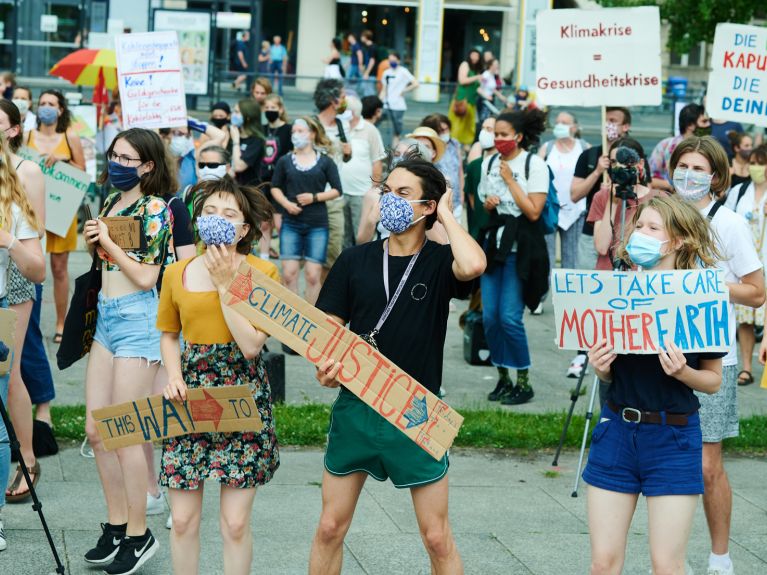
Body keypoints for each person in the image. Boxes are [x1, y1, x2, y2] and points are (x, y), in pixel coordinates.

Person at [308, 155, 485, 575]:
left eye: (404, 194)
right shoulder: (355, 260)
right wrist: (325, 367)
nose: (391, 200)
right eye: (387, 191)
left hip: (417, 409)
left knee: (437, 537)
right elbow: (325, 332)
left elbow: (474, 265)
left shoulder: (442, 261)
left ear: (428, 207)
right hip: (357, 406)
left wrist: (445, 213)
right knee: (331, 527)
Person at [584, 195, 724, 575]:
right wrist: (602, 370)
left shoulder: (701, 296)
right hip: (617, 430)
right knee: (602, 563)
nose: (640, 235)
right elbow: (611, 373)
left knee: (666, 565)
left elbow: (713, 381)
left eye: (652, 229)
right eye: (639, 227)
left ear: (678, 240)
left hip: (673, 437)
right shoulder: (616, 291)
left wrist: (683, 373)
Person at [159, 176, 280, 574]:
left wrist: (227, 281)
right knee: (183, 520)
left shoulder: (263, 272)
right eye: (209, 211)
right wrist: (173, 375)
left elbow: (250, 345)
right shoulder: (176, 273)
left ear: (244, 229)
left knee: (235, 522)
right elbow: (169, 335)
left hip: (242, 398)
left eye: (229, 214)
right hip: (188, 400)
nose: (217, 219)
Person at [82, 128, 175, 574]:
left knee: (124, 431)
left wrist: (111, 246)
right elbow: (107, 264)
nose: (116, 163)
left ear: (148, 166)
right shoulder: (110, 203)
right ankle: (118, 525)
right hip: (106, 318)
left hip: (139, 319)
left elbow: (145, 276)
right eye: (114, 154)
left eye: (127, 158)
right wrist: (94, 244)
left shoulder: (156, 209)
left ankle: (140, 534)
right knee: (97, 429)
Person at [671, 136, 765, 575]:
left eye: (698, 168)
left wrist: (707, 286)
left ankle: (720, 556)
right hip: (662, 353)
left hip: (713, 359)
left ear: (717, 178)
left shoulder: (728, 224)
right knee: (667, 463)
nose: (688, 175)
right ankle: (670, 555)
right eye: (682, 166)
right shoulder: (659, 216)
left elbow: (757, 291)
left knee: (708, 465)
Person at [0, 100, 53, 504]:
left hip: (16, 275)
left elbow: (36, 229)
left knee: (11, 370)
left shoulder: (26, 170)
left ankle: (27, 457)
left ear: (14, 130)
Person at [478, 109, 549, 406]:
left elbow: (533, 211)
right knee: (489, 318)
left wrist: (510, 182)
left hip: (522, 250)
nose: (498, 139)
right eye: (496, 134)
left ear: (519, 137)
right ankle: (503, 378)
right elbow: (485, 204)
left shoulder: (535, 164)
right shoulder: (489, 162)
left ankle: (524, 381)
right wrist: (490, 203)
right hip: (495, 247)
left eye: (504, 135)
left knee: (509, 318)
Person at [567, 106, 631, 377]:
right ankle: (583, 353)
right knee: (589, 291)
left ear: (626, 126)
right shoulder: (589, 154)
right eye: (607, 120)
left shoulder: (631, 154)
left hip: (623, 231)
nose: (609, 125)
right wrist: (597, 172)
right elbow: (574, 194)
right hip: (590, 232)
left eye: (615, 121)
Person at [23, 89, 85, 344]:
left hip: (61, 211)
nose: (46, 107)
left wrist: (62, 159)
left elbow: (82, 171)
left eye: (51, 103)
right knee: (26, 266)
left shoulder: (70, 137)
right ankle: (25, 321)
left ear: (60, 110)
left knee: (59, 269)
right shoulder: (27, 136)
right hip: (31, 211)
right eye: (42, 103)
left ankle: (62, 323)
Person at [270, 117, 342, 307]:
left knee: (312, 275)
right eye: (294, 131)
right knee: (288, 273)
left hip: (317, 223)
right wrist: (286, 204)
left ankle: (311, 322)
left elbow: (337, 189)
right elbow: (275, 187)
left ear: (312, 134)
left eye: (301, 131)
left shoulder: (325, 161)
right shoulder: (285, 160)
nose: (296, 135)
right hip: (291, 223)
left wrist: (315, 197)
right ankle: (291, 320)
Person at [723, 144, 767, 386]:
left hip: (766, 261)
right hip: (745, 264)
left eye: (761, 162)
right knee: (746, 319)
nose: (756, 167)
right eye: (753, 162)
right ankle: (747, 368)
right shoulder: (739, 191)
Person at [588, 137, 658, 271]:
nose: (619, 167)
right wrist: (613, 202)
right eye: (614, 162)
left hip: (643, 277)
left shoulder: (659, 198)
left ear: (640, 164)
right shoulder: (601, 197)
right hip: (609, 277)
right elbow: (602, 247)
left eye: (626, 162)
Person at [356, 138, 434, 245]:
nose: (401, 159)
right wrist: (371, 220)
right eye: (397, 154)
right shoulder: (374, 195)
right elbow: (361, 242)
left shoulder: (429, 199)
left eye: (407, 155)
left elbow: (442, 243)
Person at [539, 111, 590, 270]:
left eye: (565, 122)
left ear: (574, 127)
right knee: (546, 259)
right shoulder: (547, 148)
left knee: (572, 260)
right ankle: (547, 292)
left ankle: (570, 294)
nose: (560, 125)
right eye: (558, 121)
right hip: (550, 210)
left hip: (576, 211)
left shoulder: (584, 148)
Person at [313, 79, 351, 281]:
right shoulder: (311, 125)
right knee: (309, 254)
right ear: (332, 100)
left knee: (333, 252)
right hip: (313, 197)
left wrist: (347, 152)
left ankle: (323, 298)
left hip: (335, 199)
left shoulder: (341, 125)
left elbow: (345, 156)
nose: (346, 101)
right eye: (343, 97)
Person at [340, 96, 385, 248]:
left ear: (351, 112)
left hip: (361, 194)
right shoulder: (338, 128)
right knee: (343, 238)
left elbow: (377, 161)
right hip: (339, 193)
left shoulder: (370, 130)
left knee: (361, 238)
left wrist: (375, 190)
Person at [258, 94, 293, 259]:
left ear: (281, 109)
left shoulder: (288, 130)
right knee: (264, 224)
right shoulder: (262, 129)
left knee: (280, 224)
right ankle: (264, 259)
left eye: (274, 108)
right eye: (267, 108)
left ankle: (288, 258)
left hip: (282, 184)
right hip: (264, 182)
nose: (270, 111)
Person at [649, 103, 710, 193]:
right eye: (704, 121)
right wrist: (670, 185)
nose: (708, 125)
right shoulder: (665, 145)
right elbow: (649, 178)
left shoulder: (709, 148)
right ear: (690, 125)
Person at [421, 114, 464, 220]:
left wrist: (462, 194)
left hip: (456, 200)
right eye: (440, 131)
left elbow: (459, 170)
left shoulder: (455, 144)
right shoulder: (429, 149)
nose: (445, 133)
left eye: (446, 129)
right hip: (438, 201)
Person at [465, 116, 496, 240]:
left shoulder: (504, 165)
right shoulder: (475, 165)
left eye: (489, 129)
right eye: (483, 128)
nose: (484, 132)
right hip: (478, 229)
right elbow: (471, 195)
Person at [379, 51, 418, 148]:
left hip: (398, 106)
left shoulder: (403, 71)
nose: (392, 62)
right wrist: (379, 102)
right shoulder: (386, 73)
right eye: (390, 60)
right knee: (375, 122)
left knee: (396, 131)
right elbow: (384, 89)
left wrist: (404, 90)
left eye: (394, 60)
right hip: (386, 104)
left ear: (399, 61)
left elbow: (415, 83)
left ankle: (395, 152)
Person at [449, 49, 483, 146]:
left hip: (471, 101)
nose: (475, 57)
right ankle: (453, 145)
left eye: (477, 56)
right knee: (458, 124)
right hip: (462, 100)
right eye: (473, 55)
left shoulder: (476, 70)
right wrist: (477, 77)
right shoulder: (465, 64)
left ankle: (465, 146)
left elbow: (477, 88)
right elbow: (462, 80)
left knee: (469, 126)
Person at [230, 99, 265, 187]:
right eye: (233, 111)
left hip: (249, 191)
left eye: (237, 112)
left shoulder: (256, 140)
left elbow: (239, 166)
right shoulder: (232, 133)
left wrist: (236, 141)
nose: (233, 115)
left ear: (248, 117)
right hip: (232, 188)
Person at [477, 59, 507, 126]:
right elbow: (478, 88)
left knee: (489, 120)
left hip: (489, 101)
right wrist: (486, 96)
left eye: (498, 65)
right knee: (484, 121)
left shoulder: (492, 75)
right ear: (490, 66)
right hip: (484, 101)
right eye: (496, 64)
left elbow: (492, 89)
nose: (497, 66)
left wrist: (501, 97)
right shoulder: (486, 75)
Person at [359, 30, 377, 97]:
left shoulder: (373, 47)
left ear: (366, 37)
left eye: (362, 36)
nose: (361, 38)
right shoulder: (365, 47)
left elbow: (372, 60)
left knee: (370, 91)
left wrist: (367, 73)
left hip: (371, 73)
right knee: (365, 90)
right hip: (366, 72)